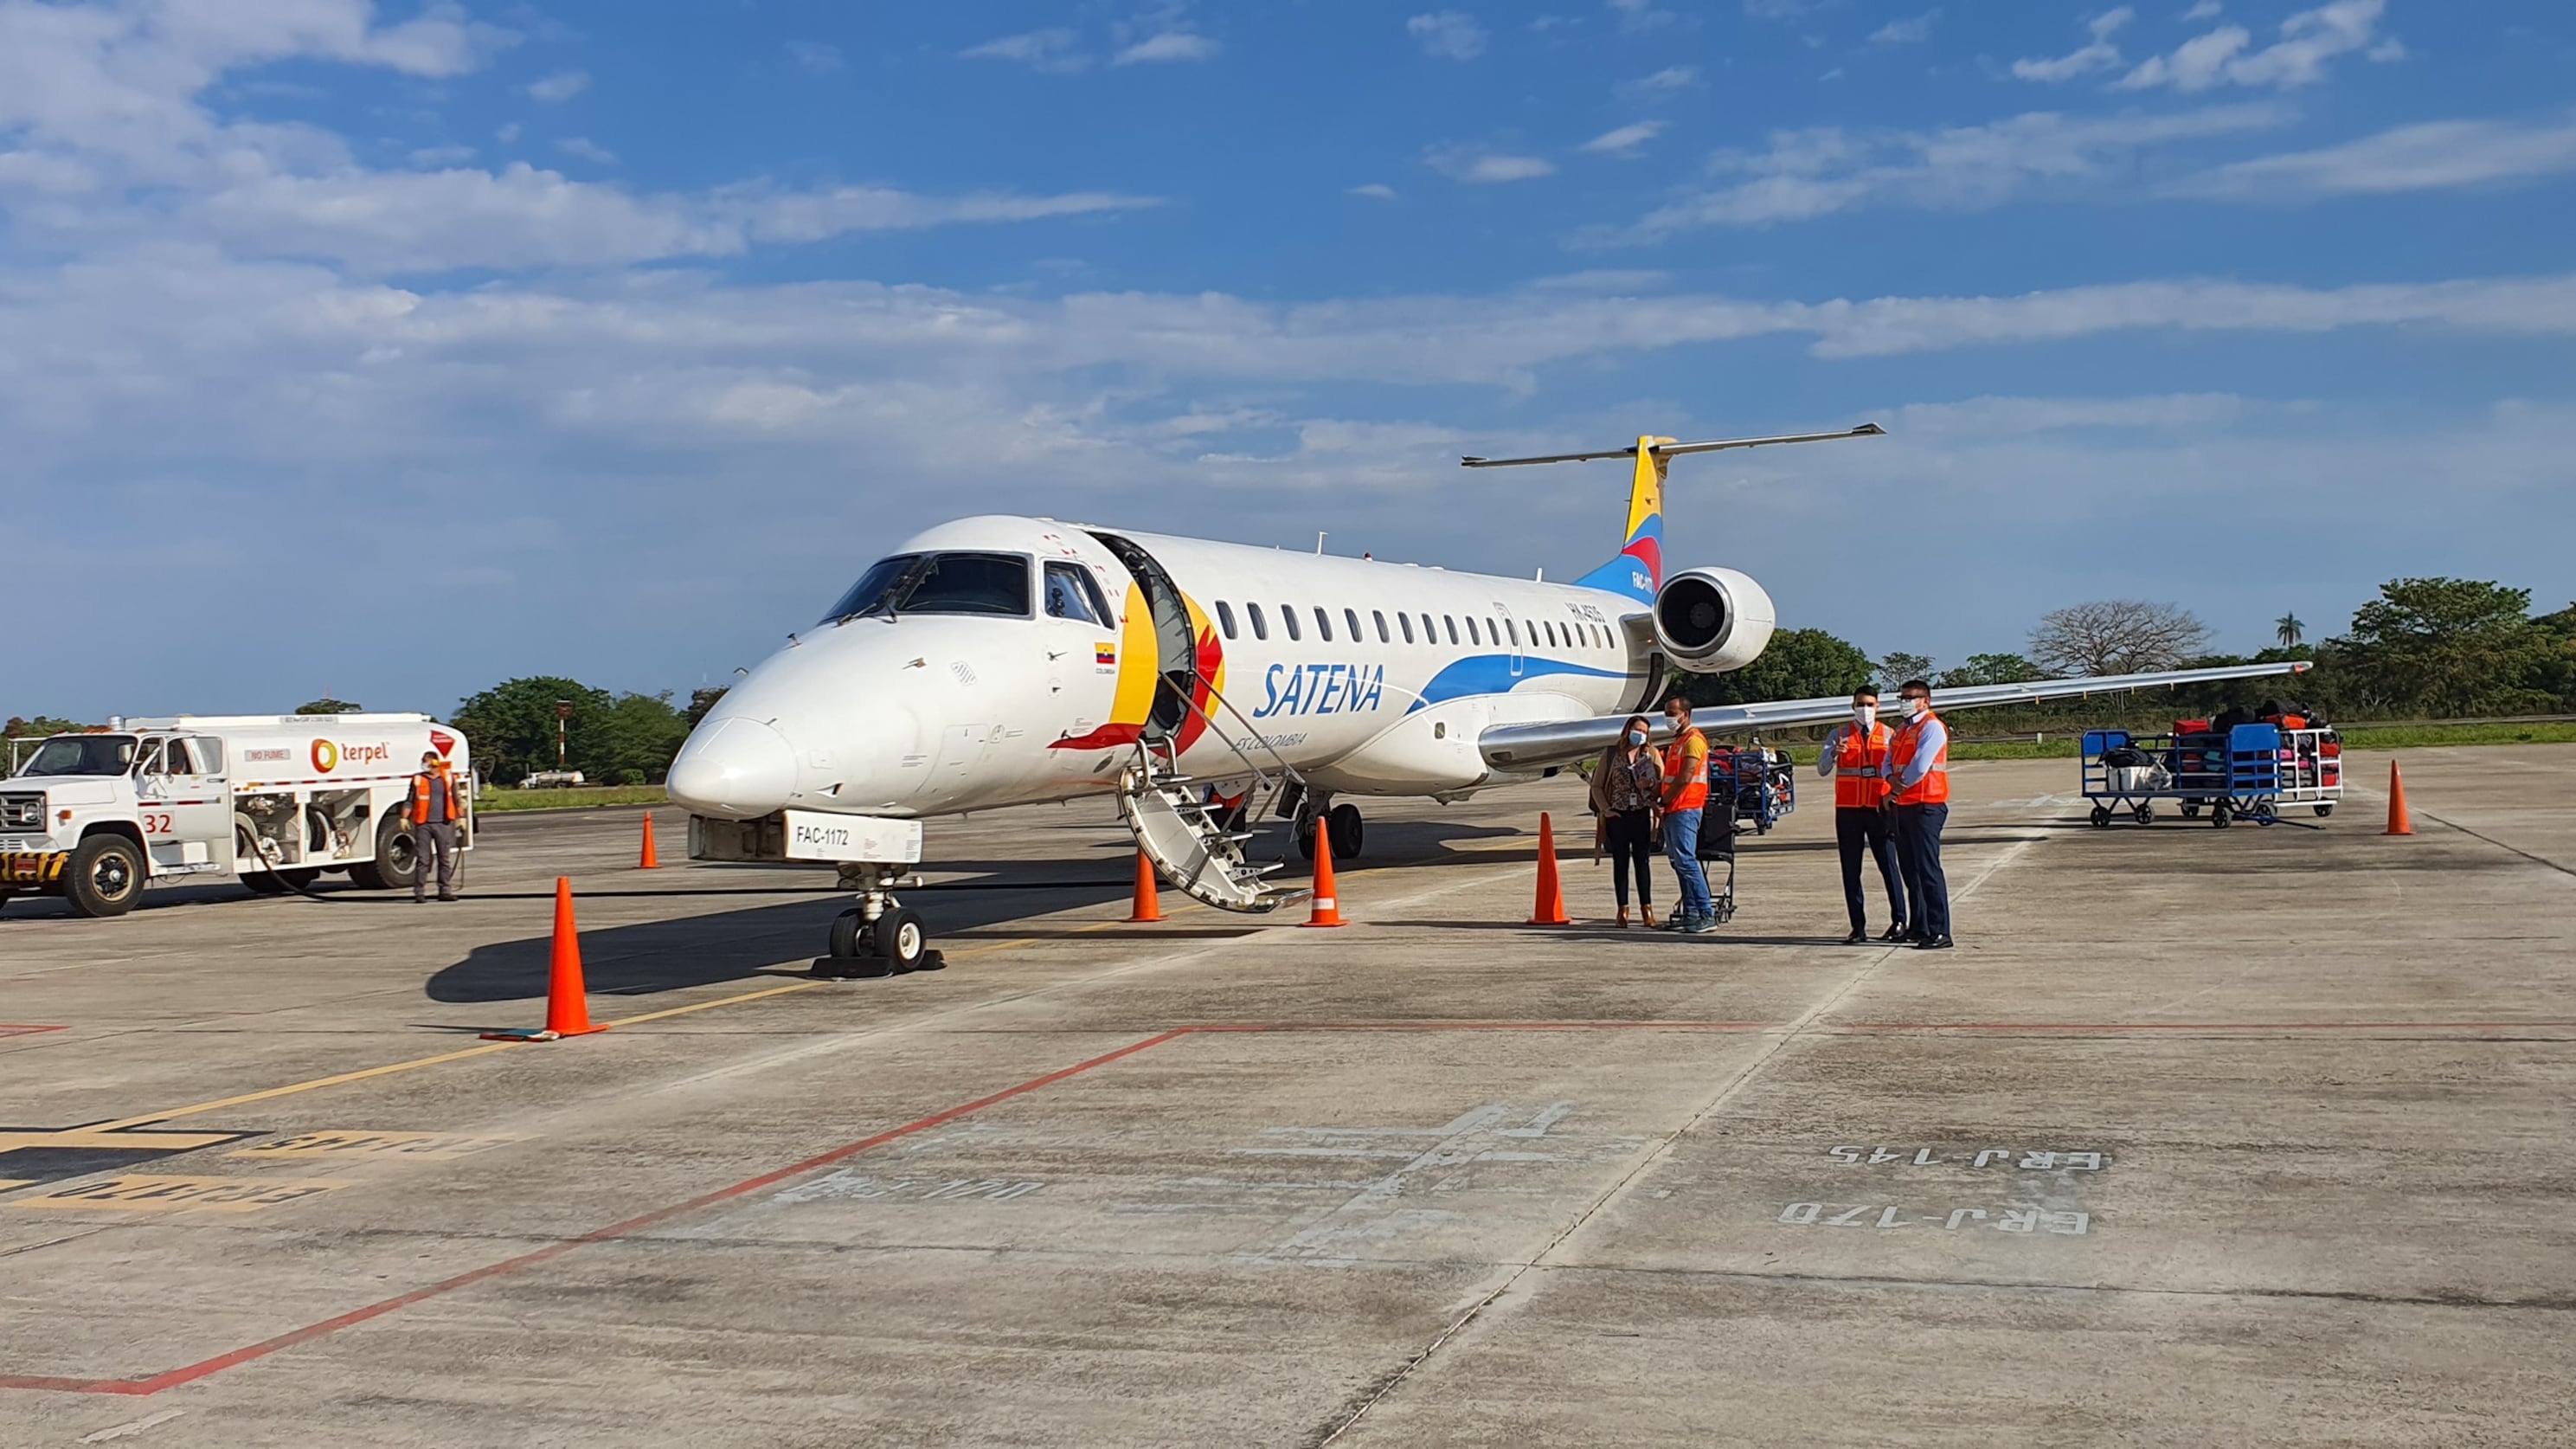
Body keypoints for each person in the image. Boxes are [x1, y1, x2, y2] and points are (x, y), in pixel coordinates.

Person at [1814, 685, 1905, 945]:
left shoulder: (1890, 734)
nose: (1864, 709)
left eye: (1869, 704)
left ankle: (1899, 920)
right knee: (1850, 870)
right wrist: (1833, 753)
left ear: (1878, 706)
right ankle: (1858, 926)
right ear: (1852, 706)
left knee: (1889, 866)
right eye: (1859, 704)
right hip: (1849, 810)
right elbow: (1821, 769)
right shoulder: (1839, 734)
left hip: (1879, 808)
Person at [1885, 679, 1952, 950]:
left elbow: (1921, 765)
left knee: (1928, 869)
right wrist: (1890, 778)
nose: (1906, 702)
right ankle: (1920, 926)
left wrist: (1897, 784)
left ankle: (1940, 931)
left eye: (1911, 697)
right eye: (1902, 697)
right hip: (1905, 804)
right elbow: (1887, 761)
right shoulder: (1902, 730)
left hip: (1927, 804)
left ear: (1926, 701)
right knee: (1910, 870)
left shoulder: (1932, 727)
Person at [1587, 715, 1663, 927]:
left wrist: (1650, 785)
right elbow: (1597, 785)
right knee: (1620, 864)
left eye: (1645, 732)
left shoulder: (1651, 754)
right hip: (1618, 815)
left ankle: (1646, 908)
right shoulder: (1611, 754)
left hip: (1640, 814)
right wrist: (1605, 809)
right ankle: (1623, 909)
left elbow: (1661, 783)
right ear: (1628, 729)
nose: (1640, 734)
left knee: (1643, 863)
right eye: (1637, 729)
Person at [1656, 697, 1718, 934]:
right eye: (1667, 713)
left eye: (1673, 713)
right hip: (1675, 808)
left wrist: (1665, 799)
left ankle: (1705, 912)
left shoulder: (1693, 740)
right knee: (1678, 862)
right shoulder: (1678, 741)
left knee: (1686, 861)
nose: (1669, 718)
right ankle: (1691, 912)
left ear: (1686, 714)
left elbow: (1686, 776)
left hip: (1686, 807)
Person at [405, 750, 466, 902]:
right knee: (423, 859)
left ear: (435, 763)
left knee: (444, 859)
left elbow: (457, 799)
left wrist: (461, 818)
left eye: (427, 761)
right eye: (423, 761)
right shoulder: (418, 779)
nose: (424, 764)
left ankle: (445, 890)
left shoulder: (448, 778)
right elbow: (410, 800)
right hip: (423, 824)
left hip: (443, 823)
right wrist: (404, 818)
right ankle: (419, 892)